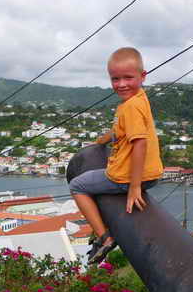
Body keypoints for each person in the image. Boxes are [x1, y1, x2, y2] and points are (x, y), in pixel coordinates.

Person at [69, 47, 163, 264]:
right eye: (115, 79)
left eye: (128, 78)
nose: (121, 84)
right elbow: (122, 131)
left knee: (77, 186)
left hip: (128, 177)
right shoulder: (140, 97)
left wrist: (135, 186)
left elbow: (139, 143)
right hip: (152, 173)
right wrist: (102, 141)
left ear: (142, 75)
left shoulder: (129, 107)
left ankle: (104, 237)